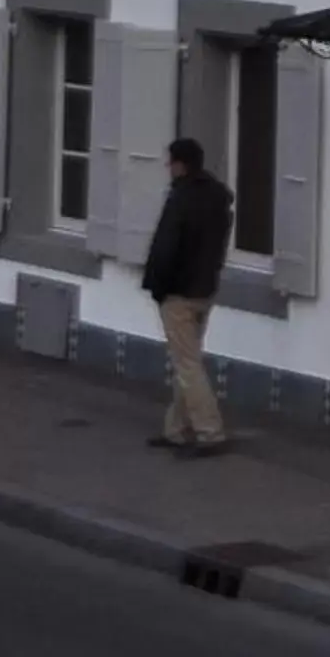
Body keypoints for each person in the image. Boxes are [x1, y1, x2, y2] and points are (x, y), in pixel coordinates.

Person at [141, 136, 235, 459]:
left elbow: (166, 248)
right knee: (188, 359)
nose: (168, 168)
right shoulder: (218, 198)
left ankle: (210, 432)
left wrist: (157, 286)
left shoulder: (181, 198)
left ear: (180, 164)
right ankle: (176, 429)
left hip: (178, 292)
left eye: (170, 162)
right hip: (204, 289)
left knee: (187, 364)